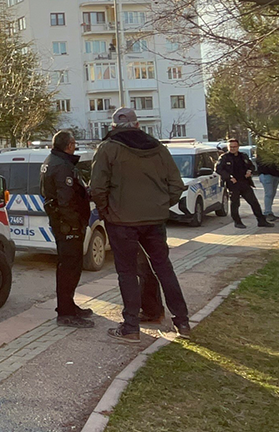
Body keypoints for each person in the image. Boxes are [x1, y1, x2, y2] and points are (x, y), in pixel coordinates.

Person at [90, 107, 191, 342]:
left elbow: (97, 188)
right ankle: (182, 322)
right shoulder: (158, 148)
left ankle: (131, 327)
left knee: (127, 273)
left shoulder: (107, 149)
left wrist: (107, 212)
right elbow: (177, 185)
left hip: (121, 222)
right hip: (154, 220)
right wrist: (160, 206)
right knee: (164, 268)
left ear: (113, 127)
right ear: (137, 125)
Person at [40, 130, 96, 328]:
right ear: (69, 144)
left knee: (69, 267)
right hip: (68, 226)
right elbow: (66, 201)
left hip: (63, 224)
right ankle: (65, 312)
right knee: (69, 268)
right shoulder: (62, 166)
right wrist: (75, 224)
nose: (75, 146)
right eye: (74, 143)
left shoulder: (52, 160)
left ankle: (69, 305)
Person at [216, 137, 273, 229]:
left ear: (238, 147)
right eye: (231, 147)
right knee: (235, 204)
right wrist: (229, 177)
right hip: (233, 184)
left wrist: (249, 171)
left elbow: (251, 166)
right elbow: (218, 169)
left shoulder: (243, 156)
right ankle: (237, 222)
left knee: (254, 202)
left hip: (245, 183)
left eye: (234, 146)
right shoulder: (224, 158)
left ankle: (261, 221)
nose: (233, 148)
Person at [256, 152, 279, 221]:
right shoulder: (262, 149)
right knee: (269, 194)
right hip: (266, 174)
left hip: (276, 174)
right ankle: (267, 212)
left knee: (272, 193)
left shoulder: (276, 148)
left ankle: (269, 211)